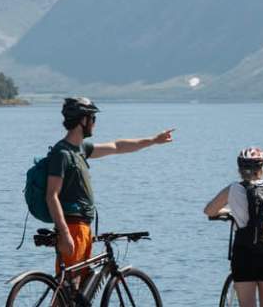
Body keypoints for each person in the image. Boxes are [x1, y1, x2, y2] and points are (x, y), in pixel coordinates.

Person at [45, 96, 173, 294]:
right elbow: (51, 196)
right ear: (83, 120)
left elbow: (117, 146)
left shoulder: (81, 149)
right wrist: (65, 234)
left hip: (84, 228)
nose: (94, 123)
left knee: (76, 293)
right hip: (73, 228)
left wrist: (154, 140)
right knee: (67, 292)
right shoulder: (62, 153)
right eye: (93, 118)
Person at [202, 146, 263, 307]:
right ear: (262, 168)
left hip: (246, 254)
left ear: (240, 169)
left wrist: (230, 211)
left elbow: (209, 210)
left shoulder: (234, 189)